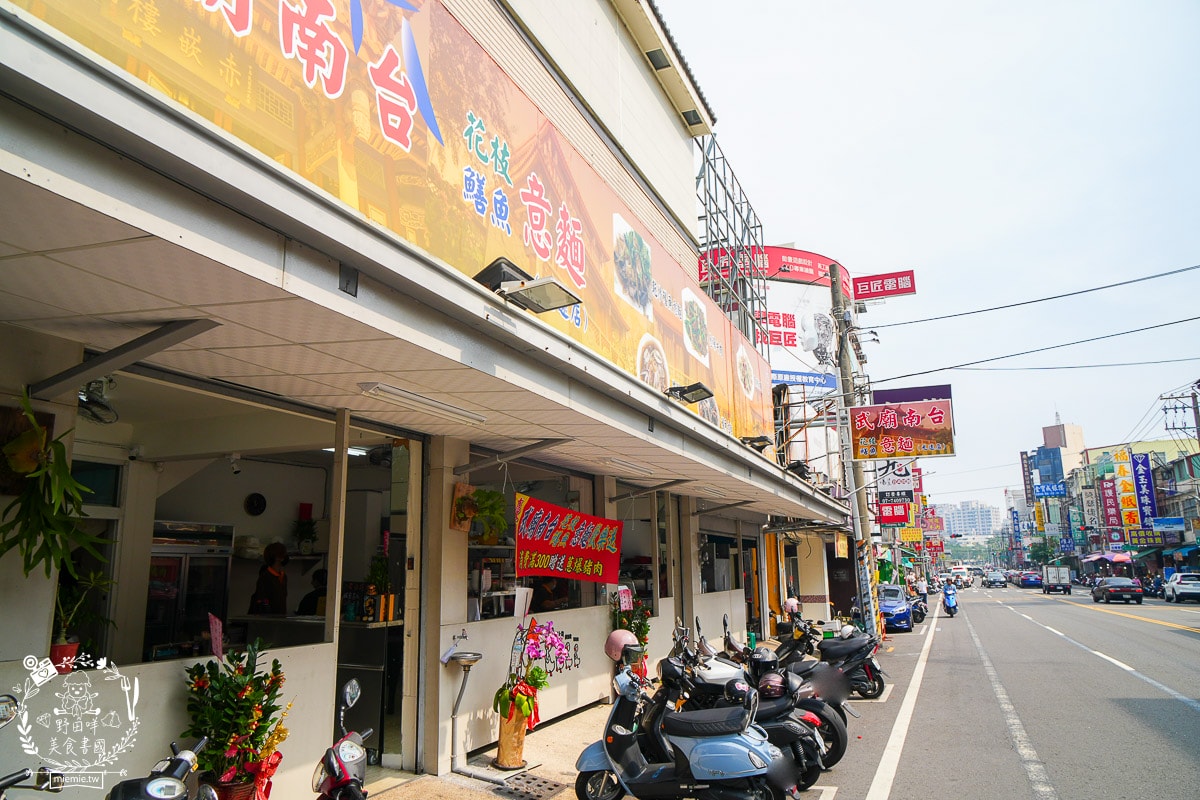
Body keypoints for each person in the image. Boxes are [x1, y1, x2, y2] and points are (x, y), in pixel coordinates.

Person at [249, 542, 289, 614]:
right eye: (283, 554)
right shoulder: (265, 577)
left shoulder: (283, 576)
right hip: (269, 620)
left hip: (280, 619)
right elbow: (262, 602)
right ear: (277, 557)